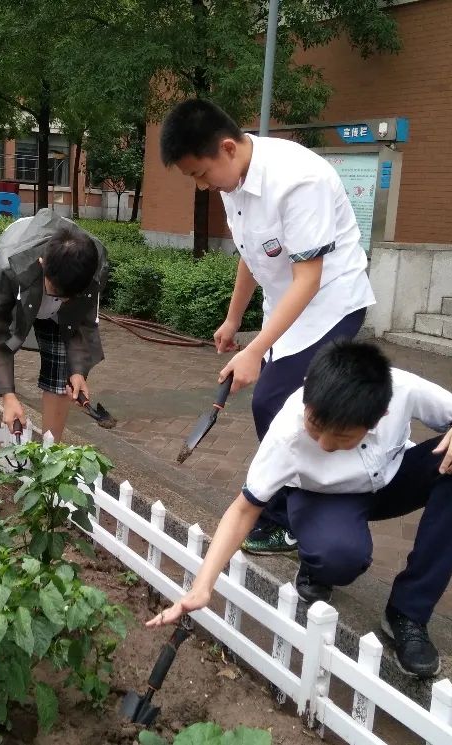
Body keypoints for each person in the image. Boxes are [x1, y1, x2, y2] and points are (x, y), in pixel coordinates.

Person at [146, 341, 452, 678]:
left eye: (342, 437)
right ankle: (317, 564)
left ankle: (408, 613)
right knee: (339, 556)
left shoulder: (401, 388)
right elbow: (243, 510)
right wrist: (203, 586)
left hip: (389, 479)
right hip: (320, 496)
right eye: (315, 428)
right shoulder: (287, 433)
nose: (325, 445)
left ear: (381, 414)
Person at [159, 100, 376, 555]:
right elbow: (253, 253)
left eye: (199, 175)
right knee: (289, 407)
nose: (201, 187)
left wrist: (255, 350)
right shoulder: (232, 177)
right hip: (289, 303)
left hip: (331, 302)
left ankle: (290, 519)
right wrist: (234, 319)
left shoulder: (299, 180)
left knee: (274, 402)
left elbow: (309, 279)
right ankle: (302, 503)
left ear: (226, 148)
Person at [0, 209, 109, 441]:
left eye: (68, 297)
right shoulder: (8, 266)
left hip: (63, 292)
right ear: (41, 264)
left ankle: (51, 453)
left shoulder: (92, 265)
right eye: (55, 293)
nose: (62, 301)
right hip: (17, 273)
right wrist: (8, 396)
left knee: (63, 372)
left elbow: (82, 322)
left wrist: (78, 371)